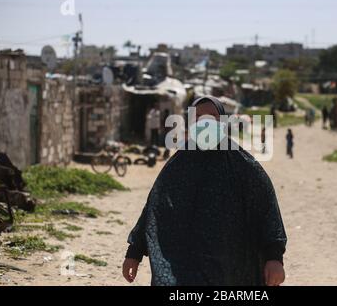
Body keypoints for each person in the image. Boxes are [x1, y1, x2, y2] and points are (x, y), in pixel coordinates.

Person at [123, 96, 287, 286]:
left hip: (232, 270)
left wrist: (275, 258)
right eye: (199, 117)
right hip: (184, 266)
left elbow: (267, 211)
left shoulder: (244, 166)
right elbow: (155, 210)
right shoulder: (179, 165)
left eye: (212, 117)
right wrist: (134, 252)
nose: (205, 123)